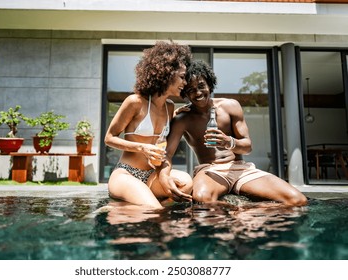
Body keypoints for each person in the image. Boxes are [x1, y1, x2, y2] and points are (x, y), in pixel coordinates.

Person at [159, 60, 308, 207]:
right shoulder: (183, 119)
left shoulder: (230, 106)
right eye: (191, 90)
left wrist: (228, 142)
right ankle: (240, 210)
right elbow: (168, 154)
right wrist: (165, 176)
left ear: (210, 85)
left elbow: (247, 147)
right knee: (201, 200)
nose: (197, 93)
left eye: (201, 86)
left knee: (298, 201)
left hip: (240, 168)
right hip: (210, 170)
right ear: (185, 94)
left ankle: (245, 209)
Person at [104, 41, 193, 209]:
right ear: (166, 73)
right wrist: (141, 148)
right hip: (127, 174)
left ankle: (134, 203)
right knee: (153, 210)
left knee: (186, 184)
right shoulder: (135, 102)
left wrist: (180, 115)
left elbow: (161, 131)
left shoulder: (170, 107)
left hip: (152, 175)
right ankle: (121, 206)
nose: (185, 82)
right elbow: (109, 138)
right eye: (182, 77)